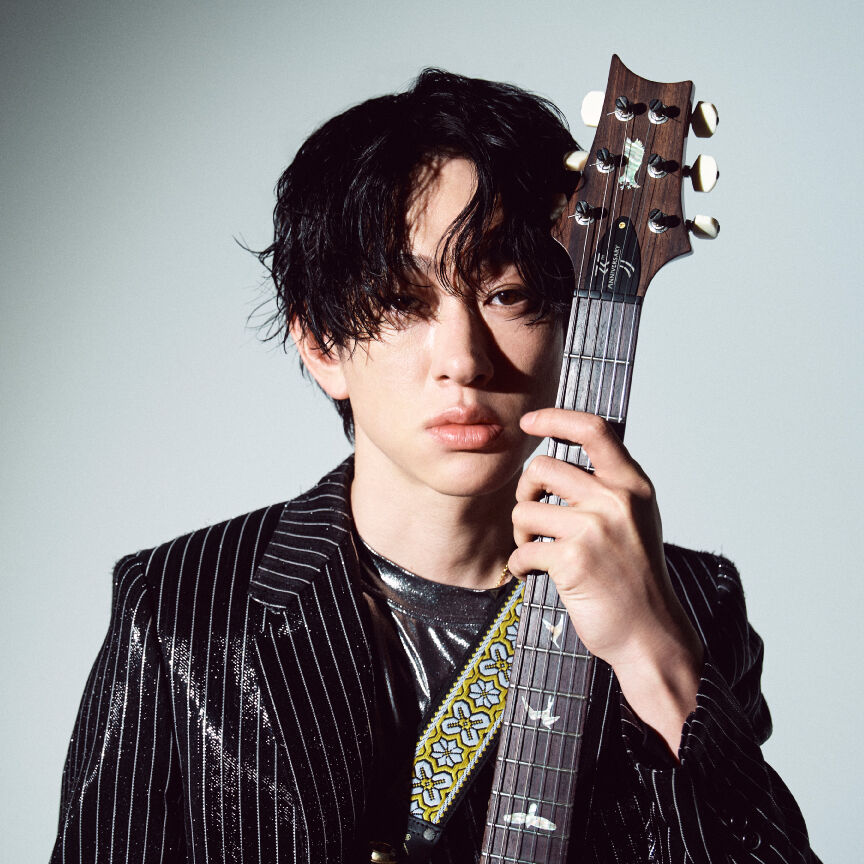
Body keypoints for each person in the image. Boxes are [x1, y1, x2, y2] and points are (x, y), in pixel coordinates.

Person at [50, 69, 819, 863]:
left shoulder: (691, 604)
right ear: (320, 345)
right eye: (402, 303)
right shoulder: (181, 606)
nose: (462, 359)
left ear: (571, 321)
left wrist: (653, 652)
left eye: (508, 294)